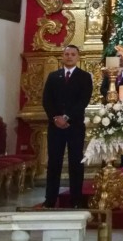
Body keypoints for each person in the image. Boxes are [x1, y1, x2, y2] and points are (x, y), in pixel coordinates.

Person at [39, 45, 94, 209]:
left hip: (75, 125)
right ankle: (50, 199)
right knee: (54, 163)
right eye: (66, 54)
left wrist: (67, 117)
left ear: (78, 57)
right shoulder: (53, 76)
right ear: (62, 56)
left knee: (76, 163)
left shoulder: (84, 77)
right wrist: (55, 117)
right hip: (55, 126)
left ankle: (76, 199)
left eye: (72, 54)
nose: (69, 57)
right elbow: (46, 100)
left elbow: (83, 100)